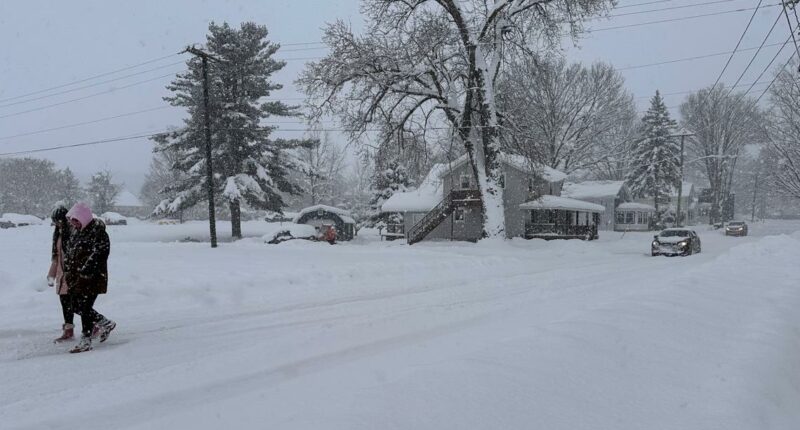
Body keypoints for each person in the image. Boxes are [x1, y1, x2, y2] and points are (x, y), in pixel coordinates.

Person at [63, 202, 115, 353]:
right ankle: (105, 323)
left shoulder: (98, 232)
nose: (74, 224)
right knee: (75, 306)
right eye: (72, 221)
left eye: (76, 220)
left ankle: (86, 339)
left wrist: (86, 270)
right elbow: (71, 254)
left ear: (83, 218)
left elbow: (100, 253)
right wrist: (68, 270)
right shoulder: (77, 232)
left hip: (93, 278)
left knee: (84, 308)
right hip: (77, 277)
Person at [47, 205, 74, 343]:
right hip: (61, 275)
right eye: (55, 221)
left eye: (58, 221)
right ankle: (68, 329)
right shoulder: (58, 234)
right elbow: (56, 257)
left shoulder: (73, 232)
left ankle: (95, 323)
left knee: (77, 304)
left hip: (72, 274)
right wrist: (51, 275)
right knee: (65, 303)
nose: (57, 224)